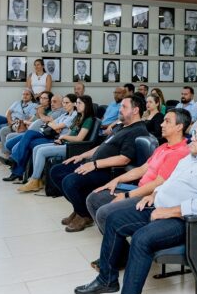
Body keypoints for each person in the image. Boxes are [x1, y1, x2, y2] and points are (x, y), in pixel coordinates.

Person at [74, 117, 197, 294]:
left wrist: (169, 211)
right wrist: (154, 194)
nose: (192, 138)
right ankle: (106, 279)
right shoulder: (191, 157)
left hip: (184, 222)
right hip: (159, 208)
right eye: (194, 133)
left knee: (142, 238)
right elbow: (170, 182)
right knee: (114, 219)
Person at [49, 93, 150, 232]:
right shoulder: (122, 127)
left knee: (70, 181)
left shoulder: (137, 130)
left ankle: (84, 215)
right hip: (95, 164)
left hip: (109, 171)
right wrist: (81, 156)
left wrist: (94, 164)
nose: (120, 109)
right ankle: (80, 209)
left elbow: (124, 158)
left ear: (135, 110)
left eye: (124, 107)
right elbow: (103, 146)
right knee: (56, 171)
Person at [85, 107, 192, 234]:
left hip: (148, 196)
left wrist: (125, 196)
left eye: (167, 121)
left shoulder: (179, 153)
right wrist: (116, 180)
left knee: (104, 213)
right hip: (137, 189)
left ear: (179, 127)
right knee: (93, 199)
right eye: (163, 121)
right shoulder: (164, 146)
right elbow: (142, 169)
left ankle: (119, 248)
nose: (162, 124)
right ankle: (113, 240)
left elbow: (158, 183)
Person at [15, 95, 96, 193]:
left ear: (86, 105)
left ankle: (34, 180)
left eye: (79, 103)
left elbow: (79, 138)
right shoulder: (78, 117)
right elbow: (70, 133)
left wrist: (63, 137)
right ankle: (37, 180)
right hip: (65, 143)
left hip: (73, 147)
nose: (77, 105)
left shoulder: (88, 120)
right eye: (76, 103)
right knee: (36, 148)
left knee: (41, 151)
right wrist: (61, 140)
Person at [0, 89, 38, 161]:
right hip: (11, 121)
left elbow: (29, 119)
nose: (25, 96)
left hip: (19, 123)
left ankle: (3, 155)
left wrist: (16, 123)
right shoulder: (17, 102)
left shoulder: (34, 105)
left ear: (31, 97)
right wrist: (10, 121)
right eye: (23, 94)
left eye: (27, 94)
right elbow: (8, 112)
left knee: (0, 129)